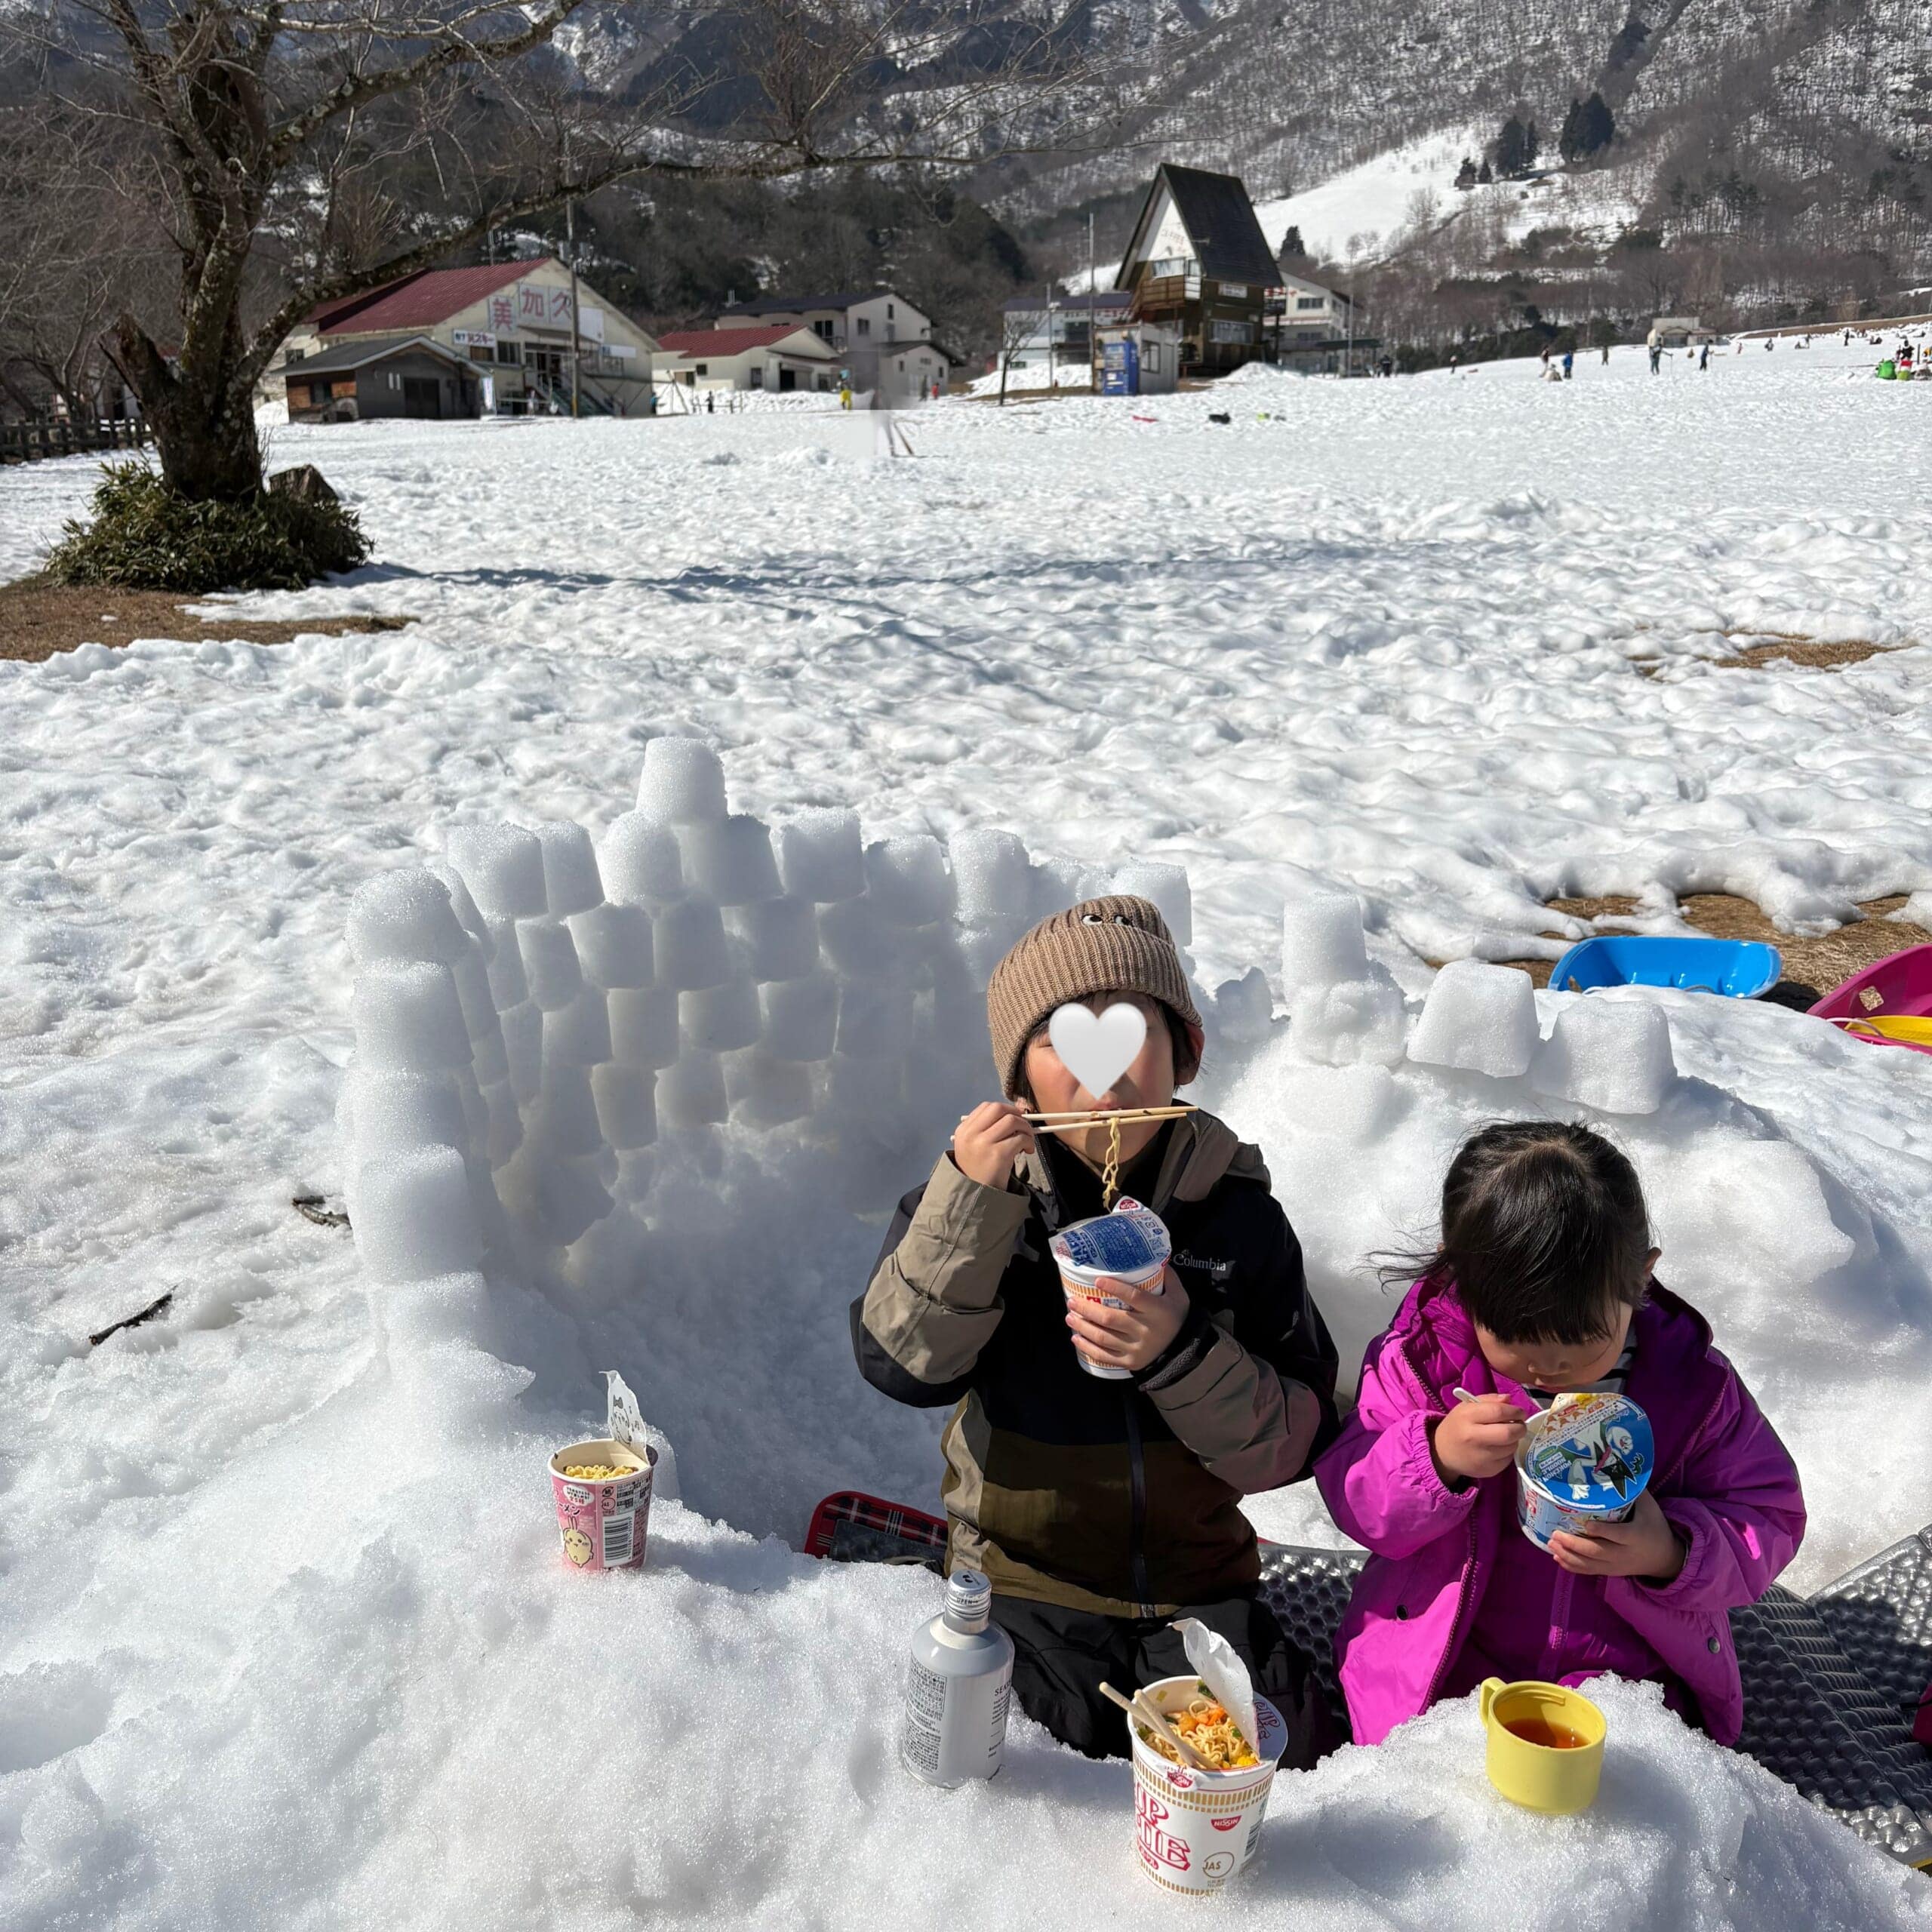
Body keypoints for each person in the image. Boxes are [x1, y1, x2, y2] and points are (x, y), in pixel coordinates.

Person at [853, 897, 1342, 1764]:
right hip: (1024, 1582)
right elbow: (901, 1364)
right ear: (1018, 1084)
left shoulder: (1237, 1218)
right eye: (1060, 1043)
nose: (1103, 1080)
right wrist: (971, 1201)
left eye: (1131, 1035)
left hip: (1201, 1588)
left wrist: (1181, 1353)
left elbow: (1294, 1445)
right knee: (1020, 1757)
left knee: (1279, 1756)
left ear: (1183, 1053)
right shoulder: (983, 1201)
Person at [1315, 1120, 1804, 1749]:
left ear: (1640, 1280)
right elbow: (1358, 1500)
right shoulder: (1425, 1365)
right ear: (1463, 1283)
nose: (1548, 1369)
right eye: (1513, 1341)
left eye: (1581, 1343)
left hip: (1629, 1677)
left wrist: (1671, 1552)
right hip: (1449, 1662)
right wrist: (1436, 1458)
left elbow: (1769, 1515)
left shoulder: (1692, 1391)